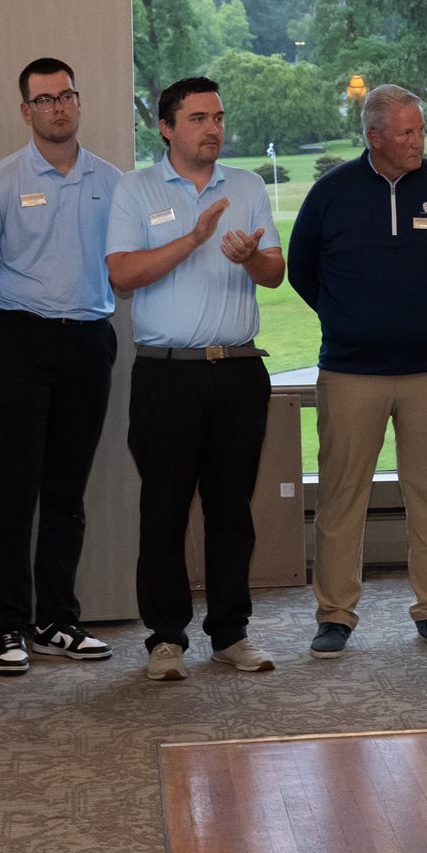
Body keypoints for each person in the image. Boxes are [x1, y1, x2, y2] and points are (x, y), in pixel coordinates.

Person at [287, 83, 427, 659]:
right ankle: (335, 615)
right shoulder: (331, 193)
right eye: (406, 132)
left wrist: (425, 318)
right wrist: (350, 321)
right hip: (351, 374)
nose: (419, 141)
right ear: (374, 137)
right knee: (342, 496)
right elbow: (302, 271)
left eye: (420, 129)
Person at [106, 77, 283, 682]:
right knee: (164, 510)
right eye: (199, 118)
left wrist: (250, 257)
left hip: (238, 370)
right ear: (166, 127)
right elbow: (122, 275)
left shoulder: (248, 186)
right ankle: (165, 639)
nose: (213, 128)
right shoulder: (135, 189)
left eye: (219, 117)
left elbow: (275, 272)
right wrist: (194, 239)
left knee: (232, 510)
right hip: (167, 375)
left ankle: (231, 633)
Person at [0, 58, 123, 677]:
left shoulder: (112, 181)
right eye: (44, 99)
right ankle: (7, 625)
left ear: (78, 102)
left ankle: (57, 619)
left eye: (66, 96)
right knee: (12, 491)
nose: (57, 108)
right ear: (25, 110)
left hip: (88, 342)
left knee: (66, 490)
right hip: (18, 341)